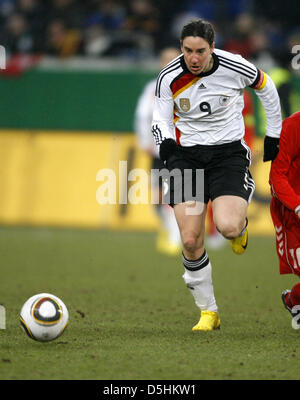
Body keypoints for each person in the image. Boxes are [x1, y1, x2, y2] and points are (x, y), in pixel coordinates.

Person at [151, 19, 282, 331]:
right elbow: (160, 116)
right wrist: (165, 144)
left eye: (200, 51)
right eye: (187, 51)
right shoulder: (169, 76)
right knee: (191, 239)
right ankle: (208, 312)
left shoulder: (234, 66)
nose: (193, 58)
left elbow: (267, 87)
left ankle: (240, 229)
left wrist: (274, 134)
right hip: (186, 158)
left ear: (212, 47)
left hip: (228, 156)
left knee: (228, 227)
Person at [134, 47, 182, 256]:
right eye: (166, 60)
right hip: (157, 151)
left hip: (181, 151)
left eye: (174, 60)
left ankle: (175, 237)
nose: (169, 63)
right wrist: (145, 140)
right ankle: (169, 228)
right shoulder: (152, 88)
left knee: (176, 196)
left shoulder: (188, 86)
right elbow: (142, 115)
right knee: (157, 199)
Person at [269, 111, 300, 328]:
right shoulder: (293, 126)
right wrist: (297, 206)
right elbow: (276, 176)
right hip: (292, 212)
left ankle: (294, 301)